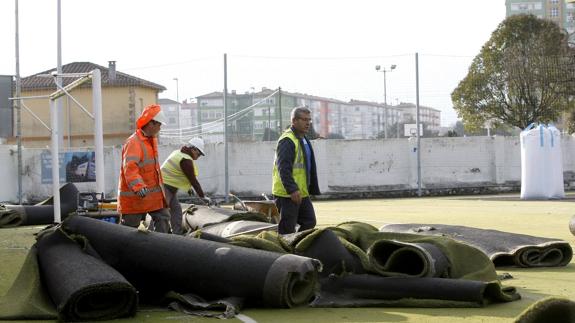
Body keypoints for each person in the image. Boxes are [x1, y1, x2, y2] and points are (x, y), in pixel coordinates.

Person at [117, 104, 170, 233]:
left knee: (163, 218)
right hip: (135, 197)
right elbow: (130, 168)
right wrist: (139, 187)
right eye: (159, 124)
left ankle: (162, 248)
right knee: (129, 230)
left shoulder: (151, 140)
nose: (160, 128)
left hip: (152, 197)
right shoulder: (134, 142)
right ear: (151, 123)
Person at [272, 106, 320, 234]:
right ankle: (285, 251)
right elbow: (283, 168)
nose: (308, 123)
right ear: (294, 121)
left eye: (309, 120)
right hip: (287, 194)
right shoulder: (287, 140)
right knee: (287, 228)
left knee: (309, 221)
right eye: (304, 120)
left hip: (301, 193)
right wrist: (292, 189)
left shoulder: (303, 139)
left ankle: (297, 248)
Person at [161, 137, 207, 234]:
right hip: (164, 187)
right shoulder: (185, 160)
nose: (198, 157)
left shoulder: (179, 153)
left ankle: (176, 235)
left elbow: (181, 174)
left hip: (168, 188)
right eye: (198, 154)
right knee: (162, 213)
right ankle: (156, 236)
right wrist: (202, 196)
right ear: (193, 149)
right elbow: (193, 180)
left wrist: (189, 188)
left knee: (176, 211)